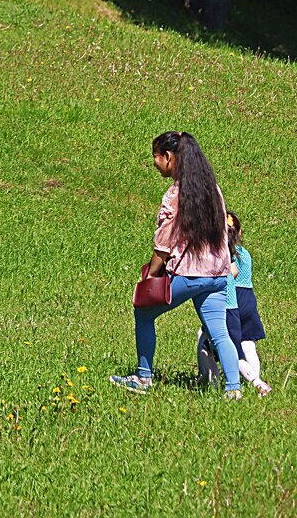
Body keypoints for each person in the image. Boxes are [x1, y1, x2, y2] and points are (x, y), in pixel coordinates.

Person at [110, 131, 243, 398]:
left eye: (156, 157)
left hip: (191, 273)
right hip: (218, 273)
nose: (155, 163)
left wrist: (151, 275)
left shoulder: (175, 193)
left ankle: (143, 378)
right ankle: (233, 389)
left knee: (143, 313)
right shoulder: (212, 189)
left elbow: (163, 244)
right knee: (219, 331)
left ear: (169, 157)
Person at [197, 211, 272, 395]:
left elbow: (232, 272)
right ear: (238, 232)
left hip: (230, 303)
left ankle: (214, 382)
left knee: (209, 343)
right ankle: (253, 378)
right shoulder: (244, 253)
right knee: (248, 344)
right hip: (248, 299)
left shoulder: (222, 255)